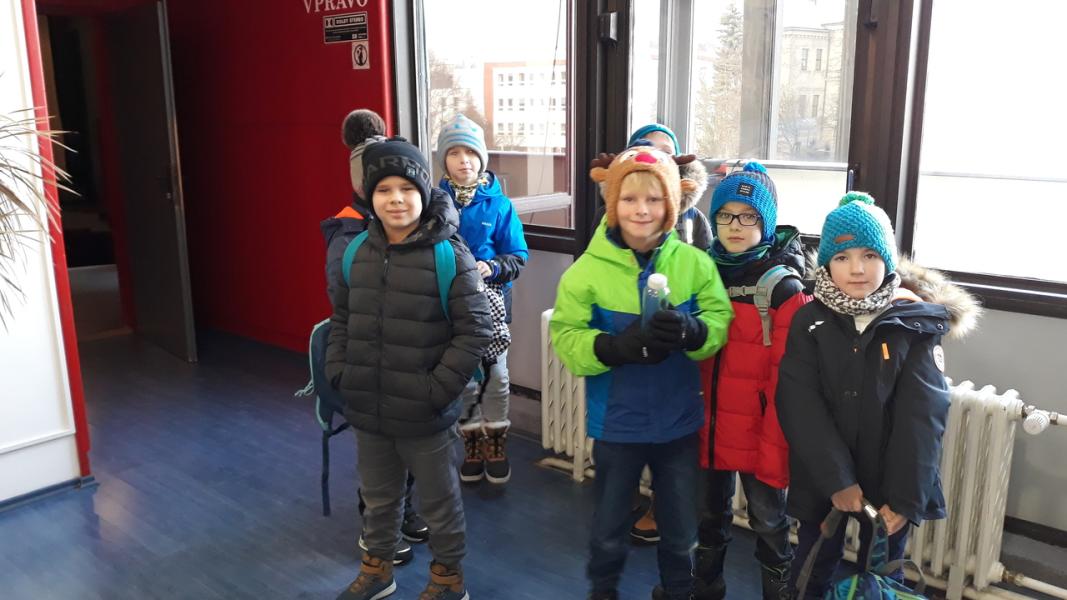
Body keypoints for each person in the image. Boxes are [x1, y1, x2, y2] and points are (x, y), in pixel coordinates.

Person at [550, 146, 733, 600]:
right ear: (613, 203)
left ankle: (677, 591)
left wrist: (693, 331)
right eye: (630, 199)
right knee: (610, 528)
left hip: (679, 423)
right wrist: (611, 347)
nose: (642, 210)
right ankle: (603, 591)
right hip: (617, 424)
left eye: (654, 199)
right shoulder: (585, 272)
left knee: (680, 529)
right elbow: (567, 337)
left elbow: (719, 320)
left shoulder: (695, 263)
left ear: (671, 204)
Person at [777, 192, 980, 598]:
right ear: (826, 264)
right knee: (812, 567)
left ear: (887, 259)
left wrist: (904, 498)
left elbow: (923, 417)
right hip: (823, 479)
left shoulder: (915, 326)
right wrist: (837, 481)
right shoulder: (809, 321)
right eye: (842, 257)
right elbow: (799, 404)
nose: (856, 269)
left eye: (869, 255)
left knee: (883, 578)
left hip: (890, 485)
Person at [328, 137, 492, 600]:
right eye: (384, 190)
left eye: (406, 188)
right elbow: (342, 318)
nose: (396, 199)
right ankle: (377, 570)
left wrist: (436, 390)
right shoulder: (356, 251)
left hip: (425, 412)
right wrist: (340, 371)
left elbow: (474, 331)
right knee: (378, 498)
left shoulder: (449, 255)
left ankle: (447, 580)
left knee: (439, 503)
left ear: (423, 192)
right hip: (368, 405)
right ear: (370, 196)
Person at [694, 161, 811, 600]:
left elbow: (790, 379)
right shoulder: (701, 272)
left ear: (766, 223)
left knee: (768, 521)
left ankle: (778, 591)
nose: (735, 226)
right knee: (708, 516)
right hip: (708, 425)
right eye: (726, 215)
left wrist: (776, 443)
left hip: (759, 430)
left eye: (748, 216)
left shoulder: (783, 287)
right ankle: (706, 587)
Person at [322, 109, 427, 565]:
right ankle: (376, 527)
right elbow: (343, 301)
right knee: (378, 457)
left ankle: (403, 512)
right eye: (382, 186)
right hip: (369, 358)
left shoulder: (410, 225)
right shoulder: (349, 231)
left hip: (409, 357)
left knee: (409, 447)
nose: (394, 196)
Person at [619, 124, 713, 545]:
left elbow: (708, 272)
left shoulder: (695, 220)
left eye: (668, 154)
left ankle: (662, 505)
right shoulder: (615, 215)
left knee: (670, 430)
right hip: (626, 336)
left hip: (677, 337)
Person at [435, 114, 529, 485]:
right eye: (454, 153)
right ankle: (472, 447)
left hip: (491, 311)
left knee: (497, 379)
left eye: (471, 152)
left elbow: (518, 256)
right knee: (464, 382)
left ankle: (496, 446)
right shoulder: (433, 204)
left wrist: (491, 267)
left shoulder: (499, 205)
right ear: (444, 161)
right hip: (449, 311)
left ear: (482, 158)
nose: (464, 161)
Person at [626, 123, 713, 250]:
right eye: (648, 150)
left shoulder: (693, 218)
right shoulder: (611, 214)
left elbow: (705, 258)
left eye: (666, 152)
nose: (658, 158)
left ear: (678, 165)